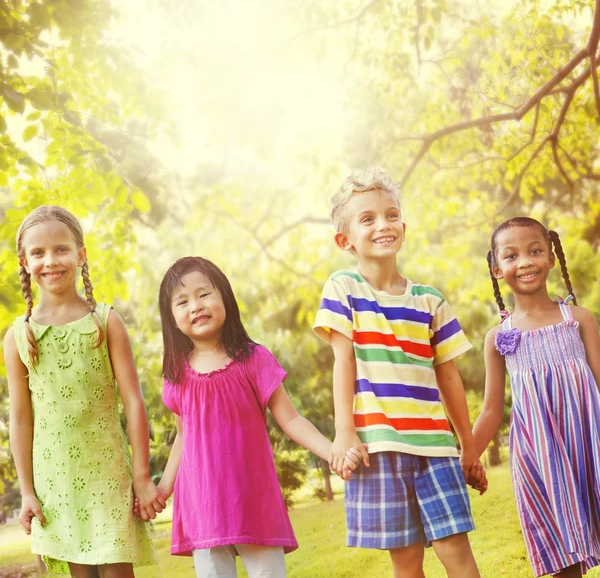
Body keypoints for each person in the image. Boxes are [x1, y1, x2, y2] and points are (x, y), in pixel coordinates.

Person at [312, 167, 485, 578]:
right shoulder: (344, 288)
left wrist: (468, 445)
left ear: (403, 227)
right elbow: (344, 361)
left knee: (455, 548)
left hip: (436, 448)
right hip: (379, 447)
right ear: (345, 240)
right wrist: (344, 432)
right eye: (367, 219)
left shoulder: (430, 300)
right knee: (406, 560)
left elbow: (449, 377)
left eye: (391, 215)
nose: (383, 225)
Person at [152, 256, 351, 578]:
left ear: (225, 299)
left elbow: (291, 419)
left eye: (204, 294)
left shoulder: (254, 359)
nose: (195, 306)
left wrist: (333, 453)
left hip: (253, 498)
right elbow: (184, 438)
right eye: (182, 301)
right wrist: (162, 488)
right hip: (203, 506)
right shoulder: (176, 376)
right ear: (172, 319)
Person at [5, 205, 164, 577]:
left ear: (80, 255)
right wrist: (27, 492)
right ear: (25, 262)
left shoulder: (105, 323)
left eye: (61, 249)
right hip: (54, 485)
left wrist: (141, 477)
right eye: (38, 253)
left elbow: (134, 403)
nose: (50, 260)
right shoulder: (17, 337)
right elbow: (22, 420)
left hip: (107, 476)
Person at [472, 216, 600, 578]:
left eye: (534, 251)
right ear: (497, 269)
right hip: (540, 457)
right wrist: (466, 455)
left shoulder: (579, 319)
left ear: (551, 258)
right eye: (511, 256)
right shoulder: (498, 337)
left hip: (590, 442)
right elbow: (492, 409)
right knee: (562, 555)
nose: (525, 262)